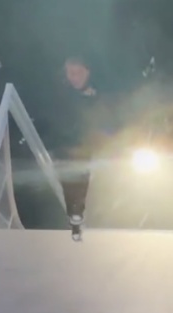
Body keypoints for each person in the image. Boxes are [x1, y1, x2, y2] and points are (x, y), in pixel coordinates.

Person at [36, 55, 113, 241]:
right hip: (64, 149)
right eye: (71, 73)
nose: (75, 77)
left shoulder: (97, 94)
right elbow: (51, 120)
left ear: (87, 72)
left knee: (83, 184)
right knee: (70, 186)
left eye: (78, 73)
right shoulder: (59, 95)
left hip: (85, 149)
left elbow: (105, 121)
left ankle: (79, 219)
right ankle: (74, 220)